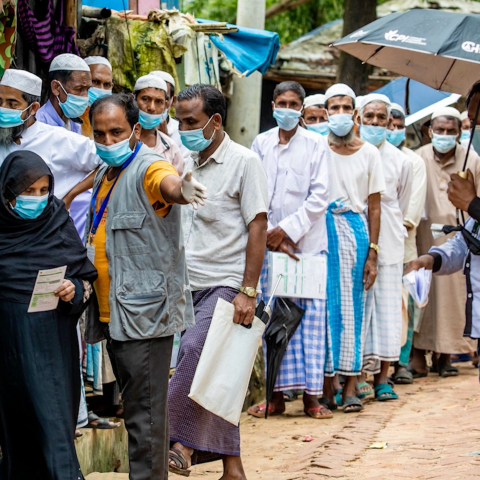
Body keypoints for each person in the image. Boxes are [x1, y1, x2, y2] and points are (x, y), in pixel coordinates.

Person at [83, 93, 206, 480]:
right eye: (99, 134)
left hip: (146, 315)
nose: (107, 142)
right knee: (137, 412)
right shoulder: (107, 173)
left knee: (146, 419)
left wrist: (182, 189)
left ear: (135, 130)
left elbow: (168, 186)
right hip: (115, 313)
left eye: (115, 132)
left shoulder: (148, 165)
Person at [167, 84, 268, 479]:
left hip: (227, 282)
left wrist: (248, 291)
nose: (183, 128)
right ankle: (233, 467)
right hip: (187, 283)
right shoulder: (186, 161)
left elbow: (258, 225)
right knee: (220, 372)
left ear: (215, 121)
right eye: (179, 121)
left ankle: (179, 443)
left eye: (190, 121)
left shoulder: (245, 162)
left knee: (194, 354)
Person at [0, 151, 97, 480]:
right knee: (15, 435)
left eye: (44, 190)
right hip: (8, 349)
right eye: (28, 192)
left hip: (52, 348)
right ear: (8, 193)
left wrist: (72, 288)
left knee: (53, 426)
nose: (38, 199)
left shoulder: (56, 219)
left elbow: (84, 279)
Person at [247, 81, 331, 419]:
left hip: (306, 248)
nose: (287, 108)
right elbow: (253, 191)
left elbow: (319, 196)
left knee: (309, 323)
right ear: (272, 105)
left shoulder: (316, 145)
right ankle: (276, 396)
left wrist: (286, 231)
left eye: (293, 103)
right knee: (273, 321)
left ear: (301, 108)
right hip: (269, 248)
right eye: (281, 102)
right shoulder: (260, 143)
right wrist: (271, 234)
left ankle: (312, 397)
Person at [319, 84, 385, 413]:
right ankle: (327, 385)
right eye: (335, 108)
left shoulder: (370, 153)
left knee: (354, 308)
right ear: (326, 112)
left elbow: (374, 208)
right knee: (325, 307)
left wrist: (373, 252)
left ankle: (350, 385)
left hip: (356, 235)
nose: (341, 114)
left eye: (347, 107)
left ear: (355, 113)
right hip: (321, 233)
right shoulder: (317, 148)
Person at [412, 106, 480, 377]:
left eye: (451, 131)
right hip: (427, 236)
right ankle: (418, 354)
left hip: (461, 235)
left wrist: (470, 203)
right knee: (423, 294)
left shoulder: (472, 160)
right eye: (439, 130)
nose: (444, 135)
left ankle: (446, 354)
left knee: (454, 299)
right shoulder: (418, 158)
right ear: (429, 131)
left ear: (460, 133)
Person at [0, 68, 102, 238]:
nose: (3, 109)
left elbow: (108, 161)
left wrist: (71, 196)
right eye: (0, 102)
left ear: (33, 108)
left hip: (47, 234)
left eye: (12, 104)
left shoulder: (58, 139)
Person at [358, 94, 412, 401]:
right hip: (356, 234)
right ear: (360, 119)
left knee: (389, 309)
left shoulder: (401, 160)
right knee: (361, 307)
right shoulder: (352, 152)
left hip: (390, 239)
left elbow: (399, 203)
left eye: (382, 118)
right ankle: (359, 373)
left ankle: (383, 376)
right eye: (370, 117)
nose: (376, 123)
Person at [387, 103, 427, 385]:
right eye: (389, 124)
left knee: (405, 305)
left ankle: (402, 361)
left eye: (399, 125)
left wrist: (394, 228)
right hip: (374, 244)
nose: (393, 130)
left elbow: (411, 210)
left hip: (404, 245)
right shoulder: (370, 155)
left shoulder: (414, 162)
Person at [133, 74, 184, 175]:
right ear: (134, 100)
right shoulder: (120, 140)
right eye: (145, 99)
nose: (151, 107)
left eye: (158, 102)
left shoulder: (171, 148)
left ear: (166, 105)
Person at [37, 53, 91, 133]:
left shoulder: (75, 124)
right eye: (79, 89)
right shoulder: (38, 125)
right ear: (56, 88)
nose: (85, 96)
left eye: (87, 89)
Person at [151, 69, 192, 161]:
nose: (152, 107)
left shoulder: (182, 132)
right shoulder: (131, 128)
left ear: (173, 101)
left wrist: (165, 141)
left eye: (161, 100)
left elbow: (182, 171)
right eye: (147, 99)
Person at [81, 56, 114, 138]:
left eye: (107, 84)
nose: (101, 89)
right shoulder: (71, 116)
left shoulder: (115, 118)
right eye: (95, 82)